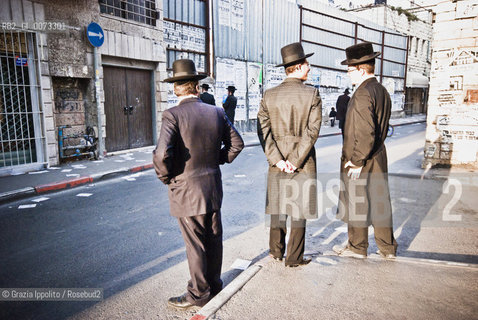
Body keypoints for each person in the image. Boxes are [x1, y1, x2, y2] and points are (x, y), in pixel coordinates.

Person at [153, 59, 244, 309]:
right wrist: (217, 160)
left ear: (176, 88)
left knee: (195, 244)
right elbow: (237, 144)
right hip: (212, 186)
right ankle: (213, 285)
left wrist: (166, 177)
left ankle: (198, 293)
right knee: (213, 238)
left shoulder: (172, 115)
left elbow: (162, 155)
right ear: (196, 85)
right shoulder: (215, 111)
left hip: (185, 189)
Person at [257, 42, 322, 268]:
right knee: (299, 209)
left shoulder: (269, 95)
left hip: (277, 161)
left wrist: (277, 159)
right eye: (307, 64)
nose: (310, 68)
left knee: (278, 206)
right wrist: (295, 161)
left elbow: (263, 131)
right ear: (299, 66)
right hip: (303, 161)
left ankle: (275, 251)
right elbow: (312, 131)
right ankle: (294, 257)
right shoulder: (312, 94)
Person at [334, 42, 398, 259]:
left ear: (361, 69)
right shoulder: (381, 90)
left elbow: (364, 131)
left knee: (357, 200)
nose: (348, 73)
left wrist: (357, 160)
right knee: (379, 201)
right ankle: (387, 248)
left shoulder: (362, 94)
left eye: (350, 69)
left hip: (362, 157)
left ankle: (357, 247)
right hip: (378, 155)